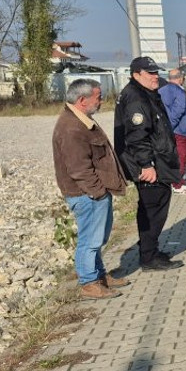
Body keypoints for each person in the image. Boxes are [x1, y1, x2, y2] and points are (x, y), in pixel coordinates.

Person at [52, 79, 130, 298]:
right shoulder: (71, 128)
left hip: (92, 193)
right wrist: (98, 192)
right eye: (98, 97)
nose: (101, 100)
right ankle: (89, 283)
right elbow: (79, 169)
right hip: (87, 195)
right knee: (90, 240)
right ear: (82, 100)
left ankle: (99, 276)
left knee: (97, 238)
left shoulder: (80, 120)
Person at [114, 56, 184, 271]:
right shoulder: (136, 98)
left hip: (156, 160)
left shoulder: (145, 93)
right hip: (149, 164)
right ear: (136, 75)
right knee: (153, 210)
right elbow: (137, 136)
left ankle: (150, 250)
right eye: (150, 73)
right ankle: (148, 257)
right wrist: (146, 164)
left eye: (156, 72)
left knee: (154, 209)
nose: (156, 76)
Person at [159, 68, 186, 195]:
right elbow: (179, 110)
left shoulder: (161, 90)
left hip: (167, 130)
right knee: (181, 157)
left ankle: (173, 180)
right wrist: (171, 125)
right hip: (180, 130)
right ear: (180, 78)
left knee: (170, 157)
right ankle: (178, 185)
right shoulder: (179, 91)